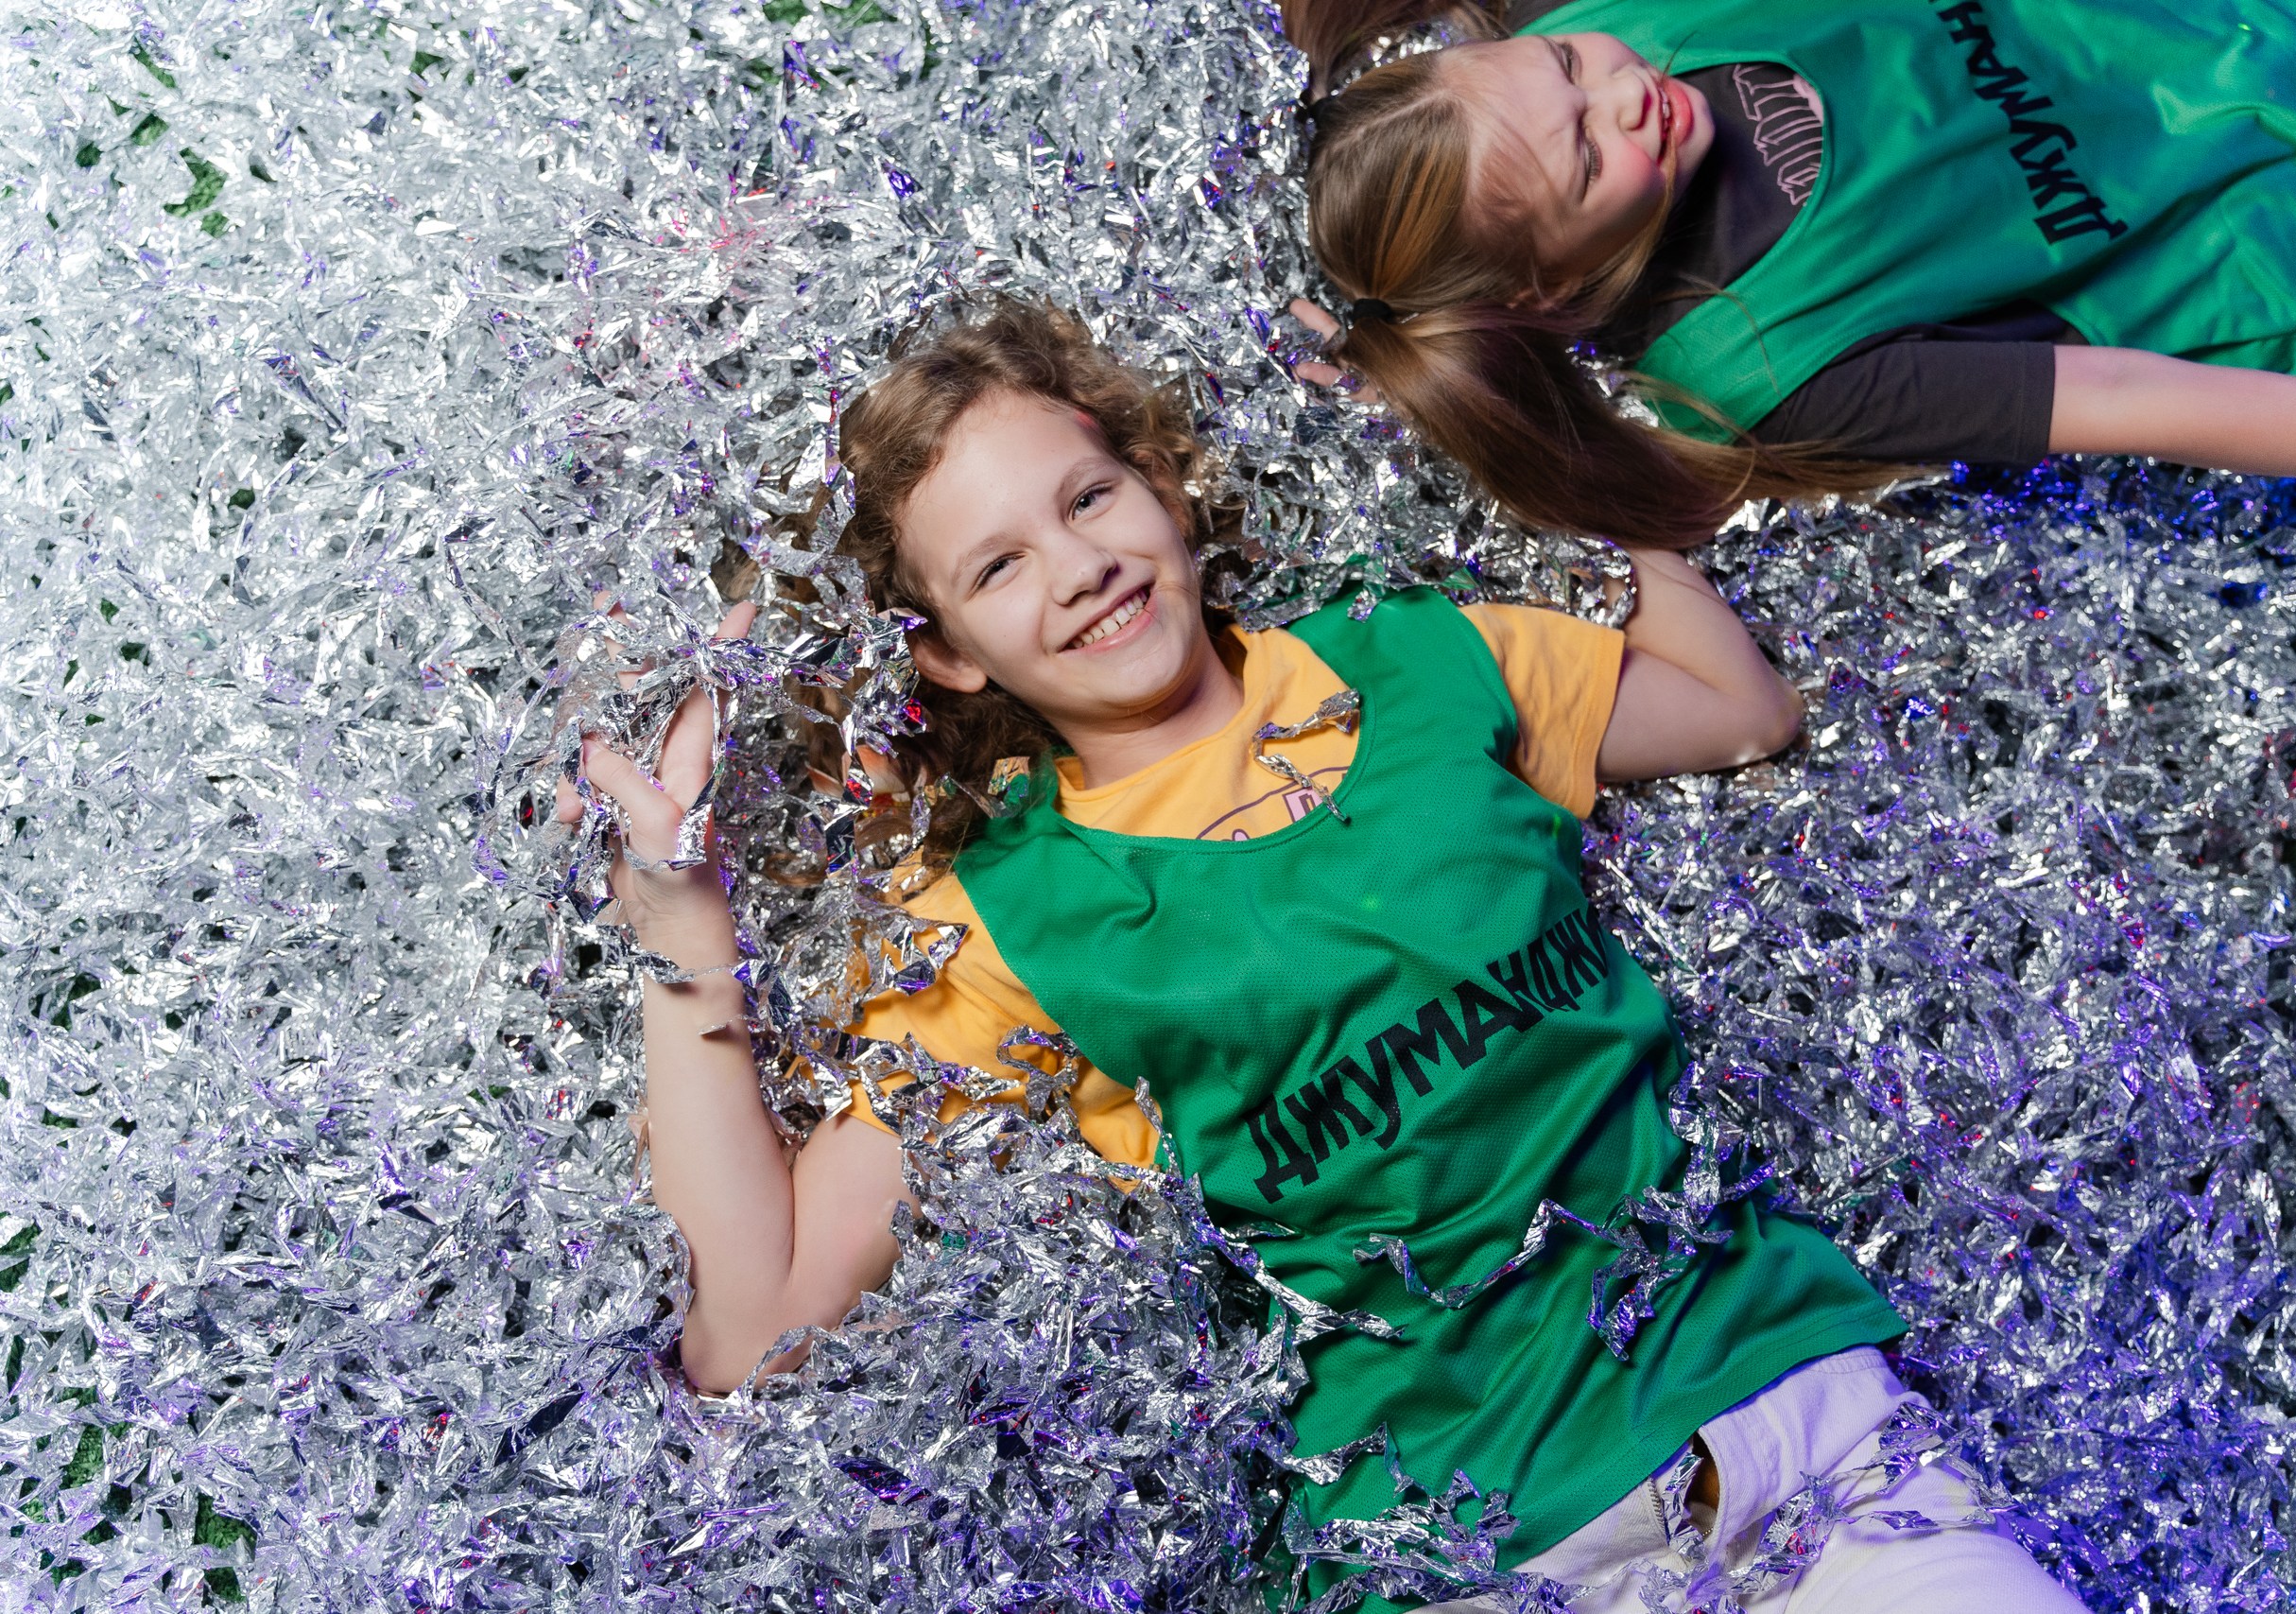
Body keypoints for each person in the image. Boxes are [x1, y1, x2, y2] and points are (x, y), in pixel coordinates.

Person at [563, 301, 2087, 1611]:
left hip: (1798, 1419)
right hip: (1481, 1555)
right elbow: (754, 1325)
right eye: (1000, 565)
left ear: (1163, 484)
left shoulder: (1421, 654)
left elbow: (1739, 708)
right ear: (950, 651)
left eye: (1090, 497)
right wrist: (684, 932)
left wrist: (1536, 433)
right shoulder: (1010, 918)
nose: (1080, 566)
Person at [1283, 0, 2296, 547]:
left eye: (1566, 63)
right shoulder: (1767, 360)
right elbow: (2136, 400)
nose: (1621, 94)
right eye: (1586, 158)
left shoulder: (1599, 17)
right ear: (1541, 290)